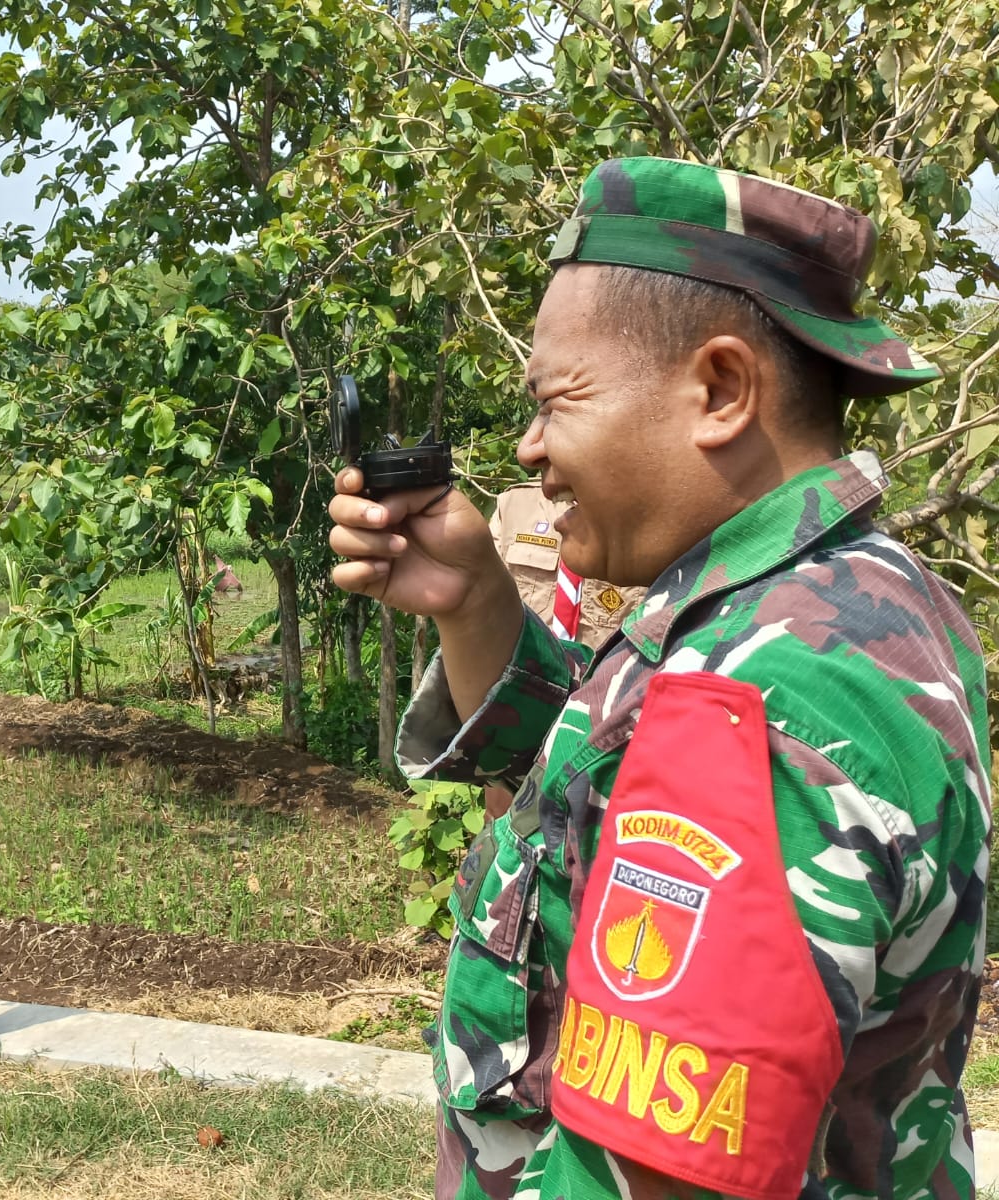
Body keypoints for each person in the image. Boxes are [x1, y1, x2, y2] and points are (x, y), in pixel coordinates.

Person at [328, 157, 990, 1198]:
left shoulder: (764, 697)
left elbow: (662, 1175)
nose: (530, 445)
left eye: (557, 400)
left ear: (721, 391)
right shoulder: (836, 598)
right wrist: (475, 604)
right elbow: (590, 799)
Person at [481, 484, 642, 820]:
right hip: (518, 720)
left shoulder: (645, 512)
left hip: (604, 729)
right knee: (503, 836)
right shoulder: (515, 506)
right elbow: (483, 609)